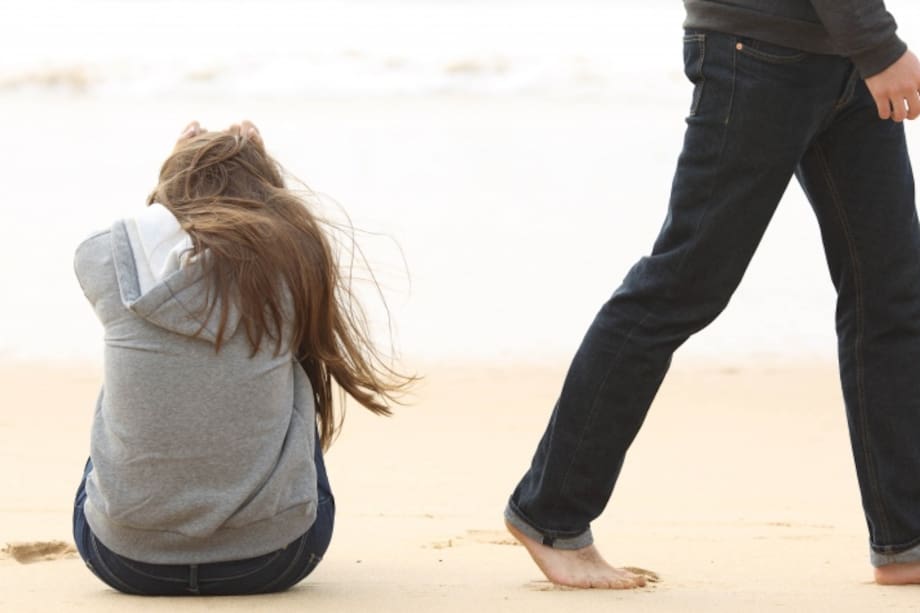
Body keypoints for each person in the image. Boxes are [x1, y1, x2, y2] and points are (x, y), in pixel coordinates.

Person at [505, 0, 920, 589]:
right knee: (681, 285)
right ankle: (550, 514)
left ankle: (906, 539)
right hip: (763, 50)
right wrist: (879, 45)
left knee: (892, 293)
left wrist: (867, 46)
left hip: (843, 54)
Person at [71, 120, 410, 595]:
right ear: (265, 194)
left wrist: (174, 172)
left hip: (124, 561)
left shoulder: (101, 260)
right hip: (274, 559)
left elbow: (138, 244)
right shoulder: (294, 261)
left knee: (129, 381)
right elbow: (283, 230)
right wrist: (259, 172)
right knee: (293, 371)